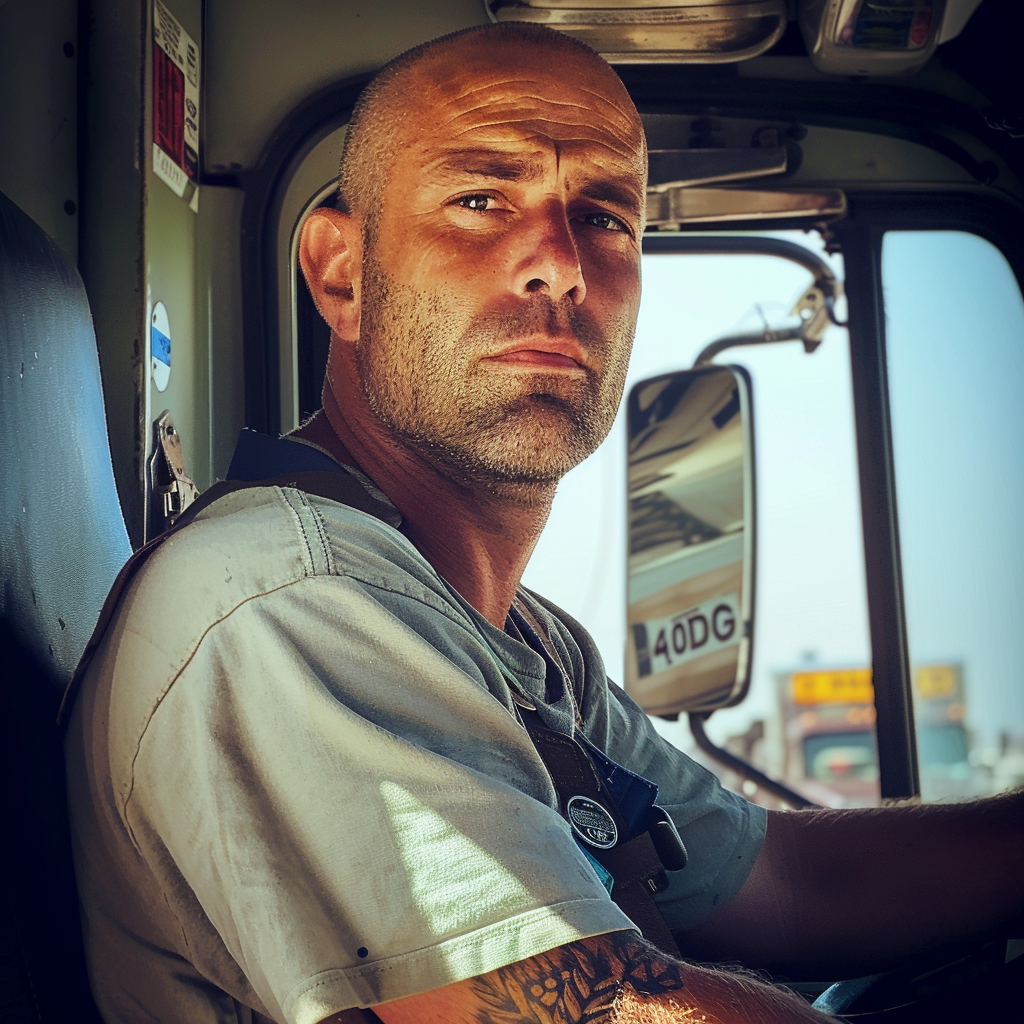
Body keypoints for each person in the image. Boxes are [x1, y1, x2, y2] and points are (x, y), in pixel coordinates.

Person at [64, 21, 1023, 1024]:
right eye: (480, 201)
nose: (558, 264)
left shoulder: (521, 641)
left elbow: (784, 884)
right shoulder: (284, 601)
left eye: (605, 215)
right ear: (341, 273)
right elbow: (587, 1010)